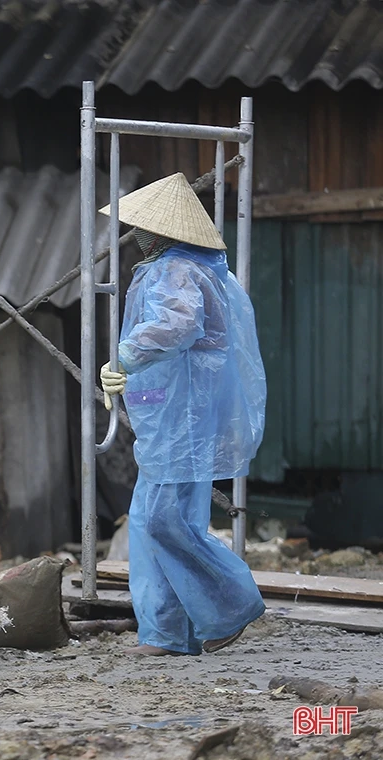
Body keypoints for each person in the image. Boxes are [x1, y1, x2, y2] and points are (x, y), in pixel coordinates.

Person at [98, 172, 267, 656]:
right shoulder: (194, 267)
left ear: (161, 231)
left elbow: (177, 324)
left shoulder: (176, 269)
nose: (136, 234)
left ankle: (231, 605)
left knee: (163, 521)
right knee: (150, 522)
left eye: (142, 227)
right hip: (175, 412)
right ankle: (168, 634)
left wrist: (124, 357)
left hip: (182, 415)